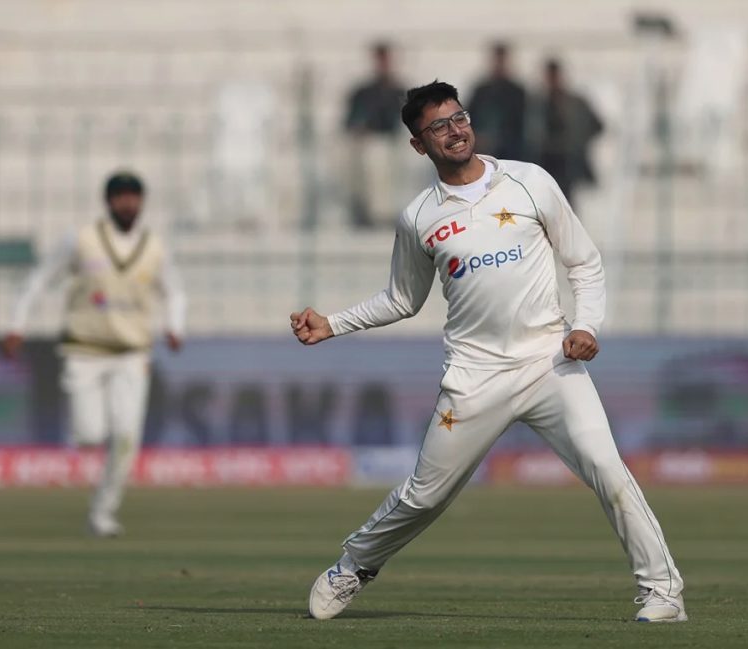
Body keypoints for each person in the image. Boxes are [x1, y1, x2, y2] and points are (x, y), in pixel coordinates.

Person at [291, 82, 686, 623]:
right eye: (438, 126)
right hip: (474, 377)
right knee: (425, 497)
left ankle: (662, 591)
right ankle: (354, 564)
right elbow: (402, 300)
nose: (454, 131)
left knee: (606, 467)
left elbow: (585, 263)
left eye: (459, 118)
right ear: (417, 145)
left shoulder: (528, 181)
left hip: (550, 361)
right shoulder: (419, 217)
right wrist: (331, 324)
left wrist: (588, 325)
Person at [3, 171, 186, 537]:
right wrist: (17, 325)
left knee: (126, 436)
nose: (128, 203)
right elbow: (39, 280)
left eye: (134, 196)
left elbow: (176, 291)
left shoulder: (154, 246)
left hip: (133, 354)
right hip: (84, 350)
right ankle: (95, 476)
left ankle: (102, 513)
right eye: (121, 196)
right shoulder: (81, 240)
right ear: (108, 201)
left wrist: (175, 327)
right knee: (89, 434)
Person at [343, 42, 407, 228]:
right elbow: (350, 122)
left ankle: (382, 213)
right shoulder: (362, 91)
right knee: (364, 157)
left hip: (391, 143)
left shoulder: (399, 91)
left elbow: (402, 122)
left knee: (377, 156)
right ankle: (364, 209)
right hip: (363, 144)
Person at [528, 59, 605, 206]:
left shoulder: (575, 102)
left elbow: (597, 126)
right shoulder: (537, 103)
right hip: (545, 160)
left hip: (567, 161)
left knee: (565, 204)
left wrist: (579, 141)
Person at [468, 42, 527, 160]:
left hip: (510, 149)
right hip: (484, 150)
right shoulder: (481, 90)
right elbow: (469, 115)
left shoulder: (517, 91)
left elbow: (521, 122)